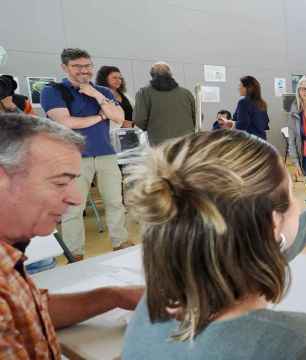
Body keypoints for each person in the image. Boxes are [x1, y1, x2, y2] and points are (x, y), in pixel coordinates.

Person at [121, 130, 306, 360]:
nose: (298, 204)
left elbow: (277, 242)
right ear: (273, 223)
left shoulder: (153, 302)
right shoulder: (295, 340)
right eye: (290, 194)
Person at [0, 113, 143, 359]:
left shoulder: (9, 257)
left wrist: (113, 296)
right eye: (60, 183)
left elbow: (28, 309)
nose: (77, 198)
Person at [40, 48, 130, 260]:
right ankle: (75, 252)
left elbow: (118, 117)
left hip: (106, 154)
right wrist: (100, 117)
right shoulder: (52, 91)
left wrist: (96, 95)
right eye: (77, 66)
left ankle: (121, 241)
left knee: (115, 202)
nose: (84, 71)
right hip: (73, 157)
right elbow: (66, 122)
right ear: (65, 67)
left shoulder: (103, 92)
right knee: (73, 209)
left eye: (87, 66)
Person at [133, 62, 196, 145]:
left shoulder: (144, 93)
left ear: (152, 75)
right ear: (170, 74)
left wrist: (150, 128)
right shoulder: (186, 93)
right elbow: (198, 116)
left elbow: (139, 119)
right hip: (186, 142)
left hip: (159, 143)